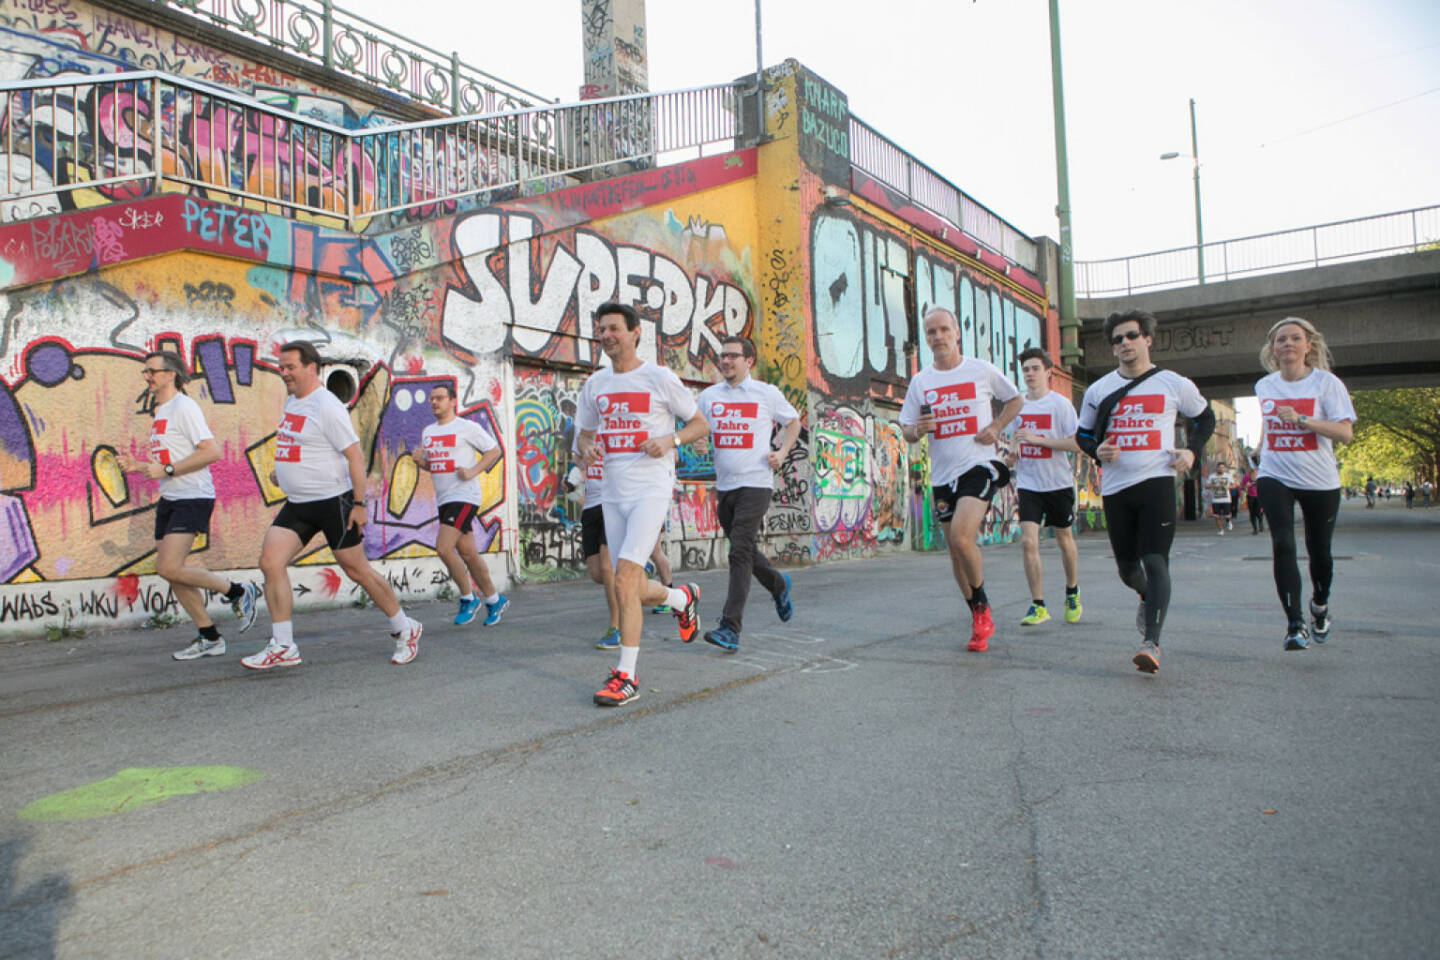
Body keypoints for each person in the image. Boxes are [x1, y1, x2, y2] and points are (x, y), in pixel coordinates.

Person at [242, 341, 423, 669]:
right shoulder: (293, 402)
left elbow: (354, 456)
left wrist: (358, 503)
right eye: (281, 367)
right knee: (270, 562)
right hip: (299, 503)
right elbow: (299, 444)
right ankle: (284, 645)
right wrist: (282, 471)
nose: (283, 373)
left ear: (312, 367)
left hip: (334, 502)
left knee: (357, 570)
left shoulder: (326, 405)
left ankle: (405, 628)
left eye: (290, 367)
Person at [576, 302, 708, 706]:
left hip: (651, 488)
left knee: (622, 580)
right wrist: (588, 448)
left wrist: (670, 441)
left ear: (635, 333)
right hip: (611, 494)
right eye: (601, 330)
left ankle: (626, 676)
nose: (606, 335)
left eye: (614, 328)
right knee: (626, 584)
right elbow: (583, 437)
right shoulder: (595, 385)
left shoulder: (658, 377)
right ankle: (682, 599)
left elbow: (700, 424)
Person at [1076, 309, 1214, 675]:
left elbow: (1205, 417)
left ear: (1148, 339)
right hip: (1117, 486)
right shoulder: (1099, 390)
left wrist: (1191, 451)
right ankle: (1144, 595)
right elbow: (1083, 434)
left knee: (1156, 561)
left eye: (1132, 335)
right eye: (1117, 339)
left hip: (1157, 482)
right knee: (1127, 569)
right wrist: (1096, 451)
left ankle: (1151, 643)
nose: (1125, 343)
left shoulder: (1172, 383)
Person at [120, 351, 263, 660]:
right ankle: (209, 638)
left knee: (169, 566)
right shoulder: (161, 411)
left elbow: (211, 452)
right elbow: (169, 460)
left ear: (171, 374)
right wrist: (141, 466)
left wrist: (168, 470)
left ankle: (238, 591)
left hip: (192, 496)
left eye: (152, 372)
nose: (147, 377)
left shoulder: (184, 407)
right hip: (171, 497)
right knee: (174, 573)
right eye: (145, 372)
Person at [899, 307, 1024, 652]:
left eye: (943, 330)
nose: (937, 337)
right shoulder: (921, 381)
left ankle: (982, 602)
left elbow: (1015, 400)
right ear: (926, 339)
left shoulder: (980, 371)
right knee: (955, 551)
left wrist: (996, 427)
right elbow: (907, 429)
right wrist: (917, 430)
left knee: (962, 537)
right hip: (943, 474)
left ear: (956, 332)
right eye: (931, 332)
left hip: (979, 465)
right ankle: (976, 616)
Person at [1254, 316, 1356, 651]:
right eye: (1280, 340)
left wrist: (1302, 420)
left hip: (1318, 478)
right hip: (1275, 474)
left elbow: (1345, 433)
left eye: (1294, 338)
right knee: (1283, 544)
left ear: (1308, 345)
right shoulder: (1265, 386)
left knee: (1319, 551)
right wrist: (1259, 447)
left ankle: (1320, 605)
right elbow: (1271, 423)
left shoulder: (1327, 384)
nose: (1287, 344)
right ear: (1273, 348)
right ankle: (1295, 625)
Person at [696, 335, 801, 652]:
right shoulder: (709, 396)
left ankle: (730, 627)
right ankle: (778, 584)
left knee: (738, 550)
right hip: (725, 485)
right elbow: (697, 426)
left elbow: (793, 422)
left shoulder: (765, 393)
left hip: (756, 483)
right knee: (744, 549)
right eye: (722, 356)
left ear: (748, 361)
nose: (725, 361)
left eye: (732, 356)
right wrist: (698, 441)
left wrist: (781, 452)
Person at [414, 383, 508, 627]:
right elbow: (434, 466)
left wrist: (473, 471)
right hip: (444, 499)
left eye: (440, 398)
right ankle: (494, 599)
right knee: (468, 552)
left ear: (453, 401)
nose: (435, 402)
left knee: (444, 548)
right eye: (432, 398)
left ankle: (468, 597)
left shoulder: (467, 427)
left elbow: (494, 451)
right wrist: (420, 462)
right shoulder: (428, 431)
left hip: (464, 496)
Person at [1010, 347, 1082, 627]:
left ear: (1048, 372)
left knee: (1064, 540)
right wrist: (1013, 450)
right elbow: (1014, 441)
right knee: (1028, 542)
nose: (1029, 374)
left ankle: (1072, 590)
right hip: (1029, 484)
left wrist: (1039, 440)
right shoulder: (1017, 406)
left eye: (1034, 368)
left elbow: (1076, 444)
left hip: (1058, 483)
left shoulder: (1060, 405)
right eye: (1025, 369)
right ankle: (1038, 604)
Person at [572, 436, 622, 649]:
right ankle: (646, 584)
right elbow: (577, 458)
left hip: (615, 502)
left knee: (607, 566)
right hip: (591, 505)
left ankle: (616, 628)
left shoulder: (618, 422)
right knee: (596, 573)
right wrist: (577, 471)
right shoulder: (584, 428)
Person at [1209, 462, 1235, 535]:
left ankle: (1228, 522)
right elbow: (1206, 485)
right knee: (1216, 516)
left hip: (1226, 499)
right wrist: (1212, 486)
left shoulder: (1228, 476)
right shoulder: (1212, 477)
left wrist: (1229, 487)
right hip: (1215, 499)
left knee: (1227, 515)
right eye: (1220, 467)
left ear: (1225, 469)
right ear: (1217, 468)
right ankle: (1220, 530)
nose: (1221, 469)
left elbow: (1235, 485)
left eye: (1223, 467)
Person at [1241, 465, 1265, 534]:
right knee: (1252, 513)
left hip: (1259, 496)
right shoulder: (1246, 476)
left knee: (1259, 512)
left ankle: (1260, 523)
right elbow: (1242, 487)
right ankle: (1255, 529)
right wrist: (1246, 485)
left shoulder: (1261, 475)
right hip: (1250, 496)